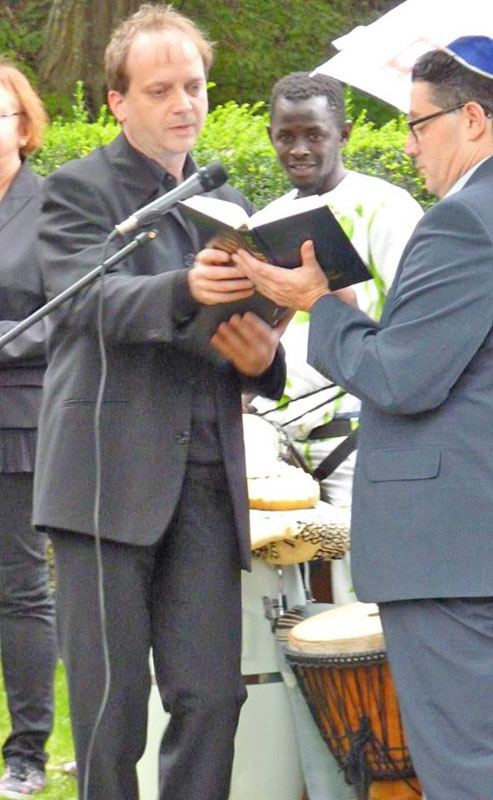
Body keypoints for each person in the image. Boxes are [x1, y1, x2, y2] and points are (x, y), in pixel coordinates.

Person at [233, 36, 493, 800]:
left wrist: (322, 308)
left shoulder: (466, 222)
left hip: (456, 547)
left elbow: (399, 376)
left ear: (470, 118)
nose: (408, 143)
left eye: (417, 124)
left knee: (467, 769)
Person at [32, 6, 286, 800]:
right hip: (105, 484)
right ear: (118, 101)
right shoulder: (78, 191)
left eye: (196, 86)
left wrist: (265, 358)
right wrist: (181, 286)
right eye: (162, 88)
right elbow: (83, 299)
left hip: (206, 483)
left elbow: (241, 335)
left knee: (213, 696)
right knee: (110, 714)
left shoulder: (229, 198)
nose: (186, 103)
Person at [248, 71, 422, 800]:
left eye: (312, 133)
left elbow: (421, 332)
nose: (297, 147)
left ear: (344, 132)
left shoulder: (387, 208)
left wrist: (341, 304)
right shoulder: (267, 217)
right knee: (282, 627)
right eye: (285, 134)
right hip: (279, 445)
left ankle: (380, 781)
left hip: (360, 439)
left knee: (360, 626)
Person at [0, 60, 57, 799]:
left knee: (17, 591)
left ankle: (28, 751)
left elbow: (66, 313)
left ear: (23, 125)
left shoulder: (51, 207)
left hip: (14, 419)